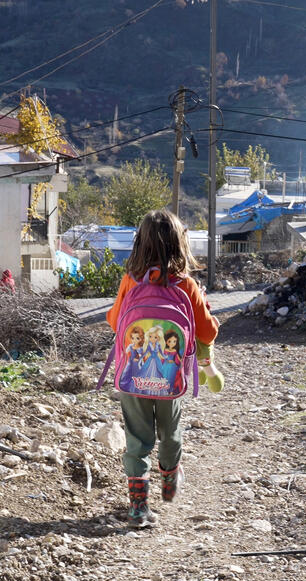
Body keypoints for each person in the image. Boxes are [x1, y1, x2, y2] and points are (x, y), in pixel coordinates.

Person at [106, 209, 222, 528]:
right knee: (170, 432)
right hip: (170, 380)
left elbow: (115, 322)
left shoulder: (130, 280)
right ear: (179, 244)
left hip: (132, 376)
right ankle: (169, 479)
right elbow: (207, 332)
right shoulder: (185, 284)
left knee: (137, 438)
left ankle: (138, 508)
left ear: (139, 243)